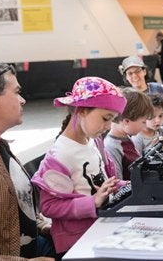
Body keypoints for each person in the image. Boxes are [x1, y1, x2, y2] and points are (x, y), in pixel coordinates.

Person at [31, 77, 128, 256]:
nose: (108, 126)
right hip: (78, 244)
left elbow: (106, 183)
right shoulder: (58, 156)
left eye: (112, 120)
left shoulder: (95, 142)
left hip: (101, 231)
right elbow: (49, 206)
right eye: (105, 118)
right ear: (82, 110)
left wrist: (129, 185)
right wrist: (92, 202)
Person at [0, 60, 53, 260]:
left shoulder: (1, 147)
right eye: (16, 92)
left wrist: (42, 226)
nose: (22, 100)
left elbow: (19, 206)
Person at [118, 55, 163, 135]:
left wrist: (155, 118)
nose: (134, 76)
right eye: (130, 73)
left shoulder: (156, 88)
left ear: (144, 71)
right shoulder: (128, 96)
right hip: (140, 134)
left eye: (137, 71)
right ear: (126, 77)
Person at [103, 87, 153, 180]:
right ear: (126, 121)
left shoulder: (126, 137)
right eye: (143, 122)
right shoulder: (112, 147)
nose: (145, 126)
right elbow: (117, 183)